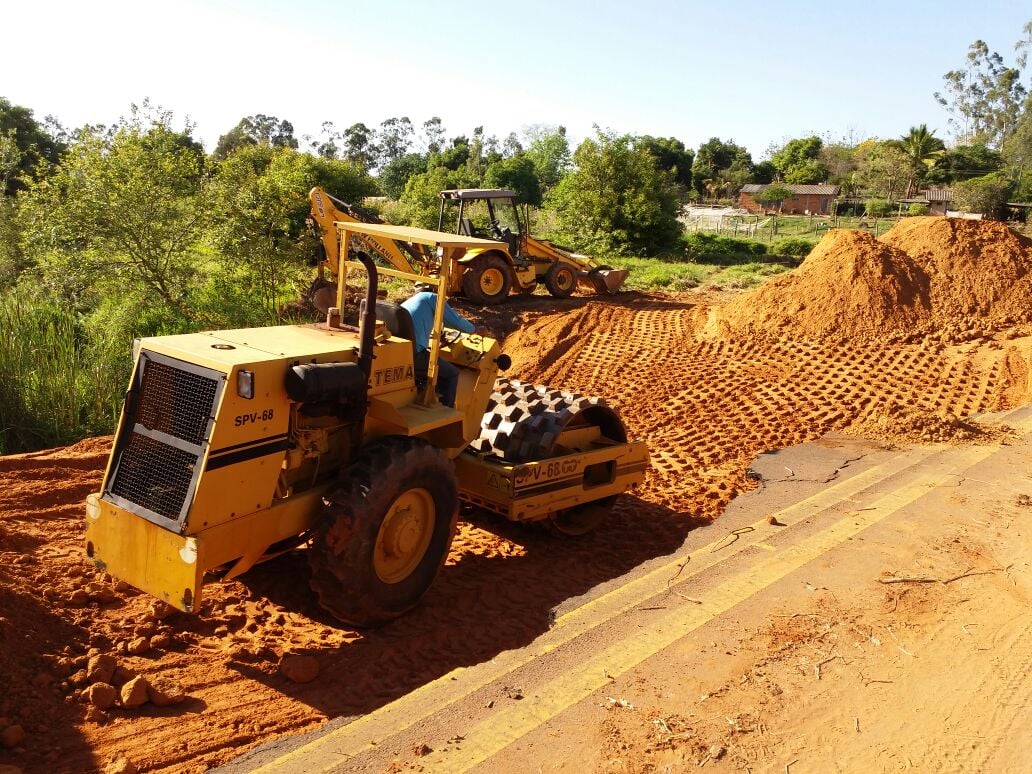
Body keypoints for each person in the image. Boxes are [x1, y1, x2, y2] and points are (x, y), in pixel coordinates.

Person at [401, 290, 482, 408]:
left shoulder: (414, 301)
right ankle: (445, 411)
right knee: (451, 374)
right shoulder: (432, 298)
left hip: (402, 350)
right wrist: (476, 330)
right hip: (415, 355)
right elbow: (455, 320)